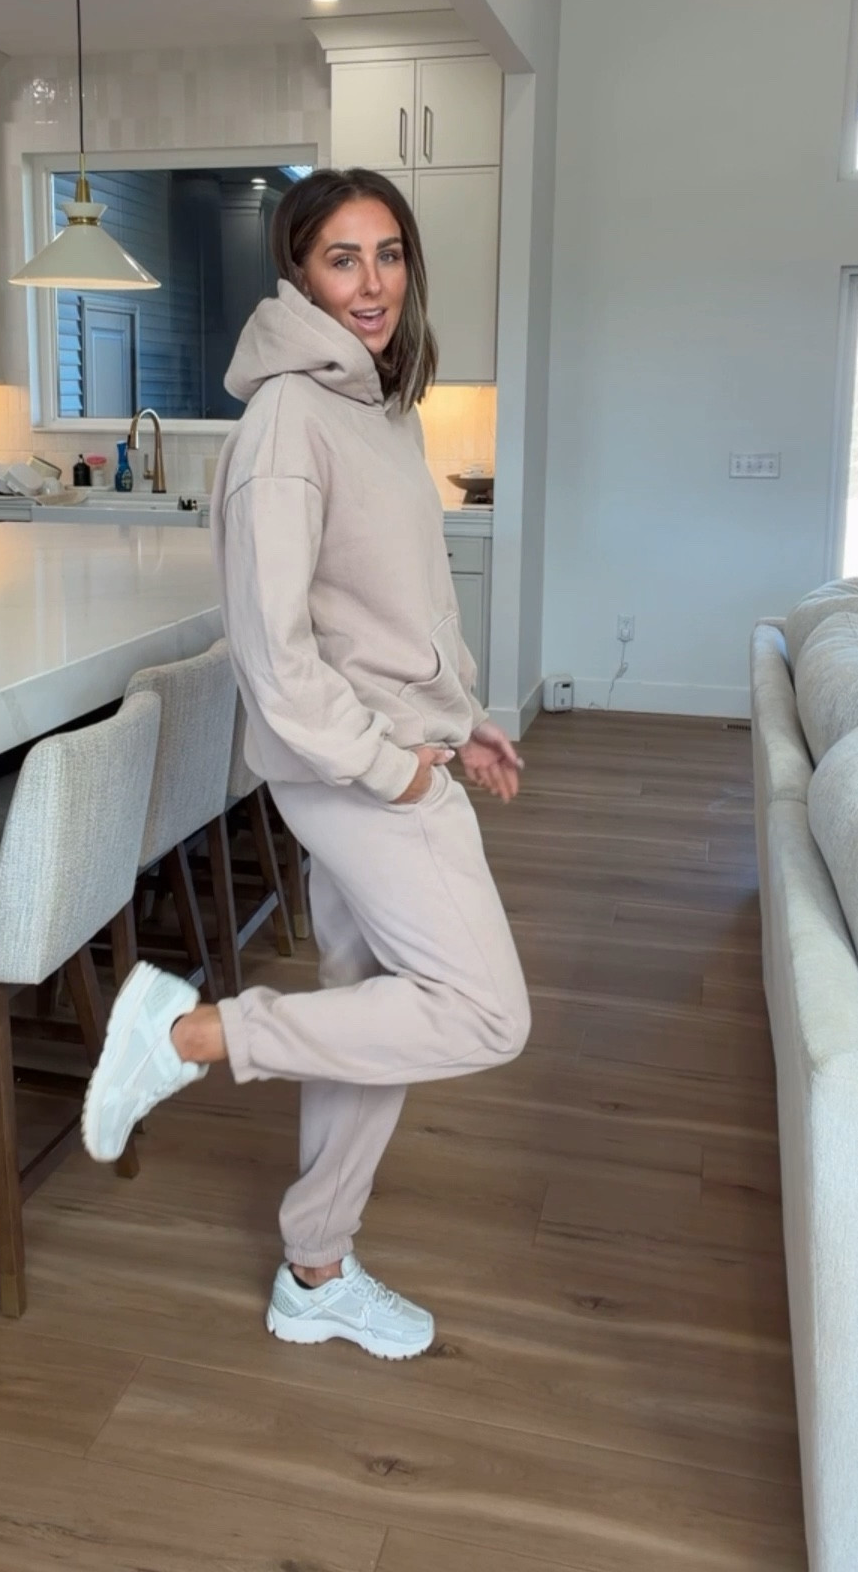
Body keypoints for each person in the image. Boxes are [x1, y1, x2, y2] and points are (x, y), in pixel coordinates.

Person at [83, 166, 531, 1361]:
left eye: (389, 254)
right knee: (484, 1012)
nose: (372, 283)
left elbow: (408, 605)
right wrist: (400, 771)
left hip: (402, 750)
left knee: (373, 1013)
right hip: (363, 773)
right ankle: (186, 1038)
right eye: (343, 258)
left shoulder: (382, 406)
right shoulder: (287, 422)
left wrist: (464, 719)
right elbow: (277, 658)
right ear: (298, 271)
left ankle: (315, 1268)